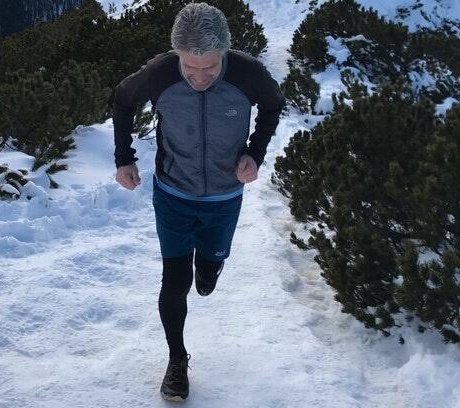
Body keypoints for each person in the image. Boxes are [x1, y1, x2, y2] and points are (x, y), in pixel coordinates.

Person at [112, 2, 284, 402]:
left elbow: (273, 106)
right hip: (173, 193)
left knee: (207, 268)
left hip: (224, 197)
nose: (200, 77)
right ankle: (177, 361)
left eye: (210, 68)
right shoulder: (160, 73)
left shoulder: (247, 73)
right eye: (190, 68)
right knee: (175, 279)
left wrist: (255, 154)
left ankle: (210, 266)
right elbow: (122, 101)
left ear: (224, 52)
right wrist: (123, 158)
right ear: (178, 55)